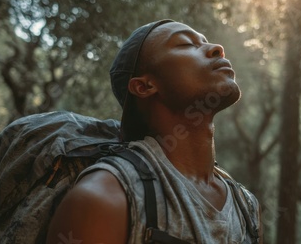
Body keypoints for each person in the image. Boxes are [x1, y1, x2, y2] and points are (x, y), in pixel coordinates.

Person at [46, 19, 262, 243]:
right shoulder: (104, 200)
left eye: (205, 42)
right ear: (145, 86)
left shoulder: (246, 208)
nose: (217, 48)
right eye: (186, 45)